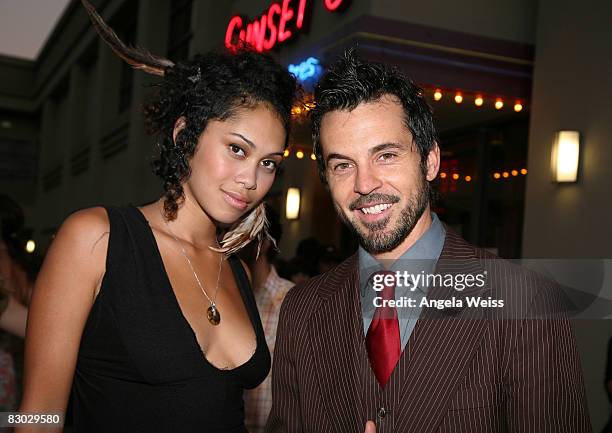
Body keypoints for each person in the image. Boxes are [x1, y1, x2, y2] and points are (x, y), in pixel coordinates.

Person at [266, 50, 591, 433]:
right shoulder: (302, 310)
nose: (364, 184)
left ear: (431, 160)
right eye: (343, 165)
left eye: (385, 155)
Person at [18, 1, 298, 432]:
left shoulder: (237, 270)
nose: (251, 179)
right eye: (237, 149)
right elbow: (38, 416)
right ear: (184, 134)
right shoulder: (96, 239)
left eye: (269, 163)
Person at [239, 205, 294, 433]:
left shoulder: (291, 302)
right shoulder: (219, 295)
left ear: (267, 241)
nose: (233, 237)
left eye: (245, 230)